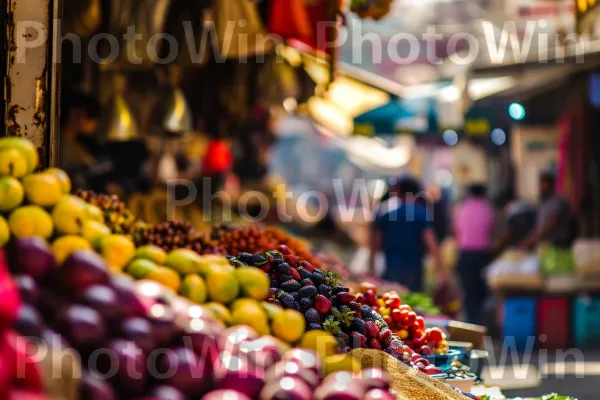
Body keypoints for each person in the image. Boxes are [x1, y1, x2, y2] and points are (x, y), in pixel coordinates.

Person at [368, 177, 446, 292]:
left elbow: (375, 244)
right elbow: (431, 243)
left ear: (398, 192)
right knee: (413, 306)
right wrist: (442, 272)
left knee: (392, 303)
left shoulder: (387, 214)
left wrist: (371, 268)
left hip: (391, 268)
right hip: (414, 269)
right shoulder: (421, 213)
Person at [453, 183, 496, 325]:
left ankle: (470, 321)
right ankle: (479, 321)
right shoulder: (488, 209)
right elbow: (491, 231)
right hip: (482, 255)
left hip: (465, 254)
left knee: (468, 289)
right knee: (481, 290)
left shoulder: (461, 209)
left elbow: (456, 231)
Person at [519, 171, 573, 249]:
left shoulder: (558, 201)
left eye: (543, 184)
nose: (540, 187)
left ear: (551, 185)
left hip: (558, 245)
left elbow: (551, 224)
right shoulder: (543, 203)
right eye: (540, 184)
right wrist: (527, 239)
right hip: (544, 245)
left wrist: (533, 239)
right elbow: (539, 227)